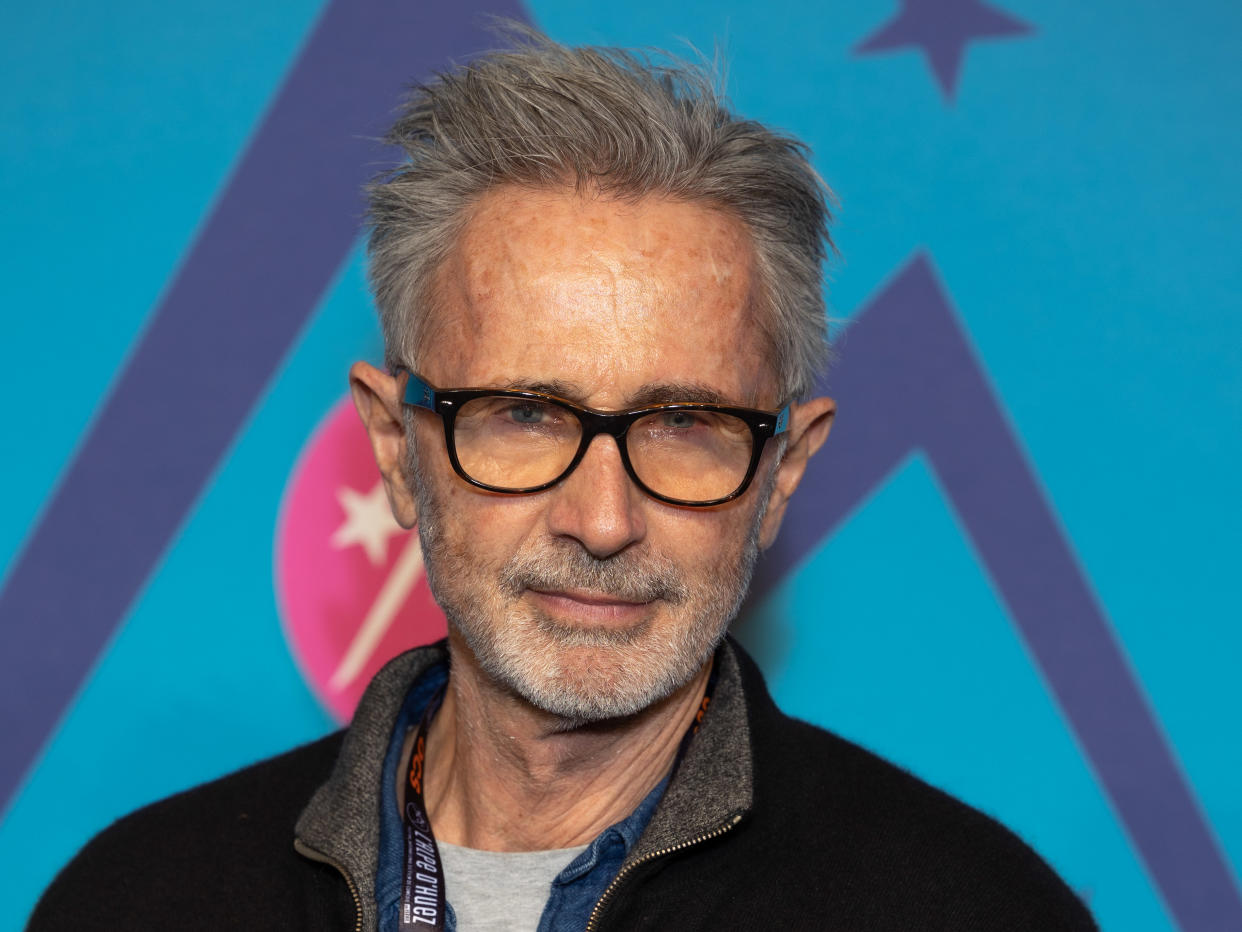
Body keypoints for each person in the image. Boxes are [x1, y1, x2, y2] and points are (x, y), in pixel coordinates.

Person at [30, 32, 1096, 932]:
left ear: (782, 472)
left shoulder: (977, 908)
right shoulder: (133, 898)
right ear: (398, 449)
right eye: (526, 413)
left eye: (684, 423)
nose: (602, 519)